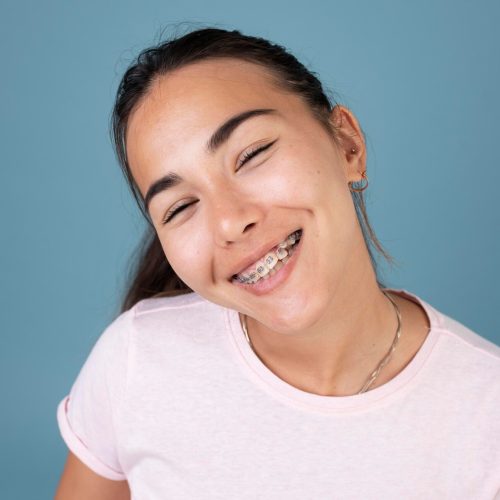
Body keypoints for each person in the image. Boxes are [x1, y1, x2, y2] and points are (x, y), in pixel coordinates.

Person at [55, 27, 500, 499]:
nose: (230, 221)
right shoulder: (136, 360)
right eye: (180, 206)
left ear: (348, 146)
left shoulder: (485, 410)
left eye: (251, 154)